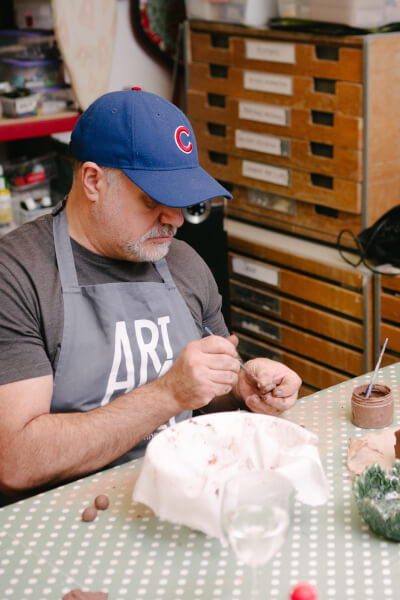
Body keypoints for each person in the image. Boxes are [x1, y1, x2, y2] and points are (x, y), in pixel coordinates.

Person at [0, 89, 301, 501]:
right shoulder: (17, 276)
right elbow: (15, 461)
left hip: (182, 497)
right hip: (70, 520)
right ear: (93, 181)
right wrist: (168, 393)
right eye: (153, 198)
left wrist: (241, 389)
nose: (175, 219)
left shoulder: (185, 264)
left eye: (182, 199)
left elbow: (207, 400)